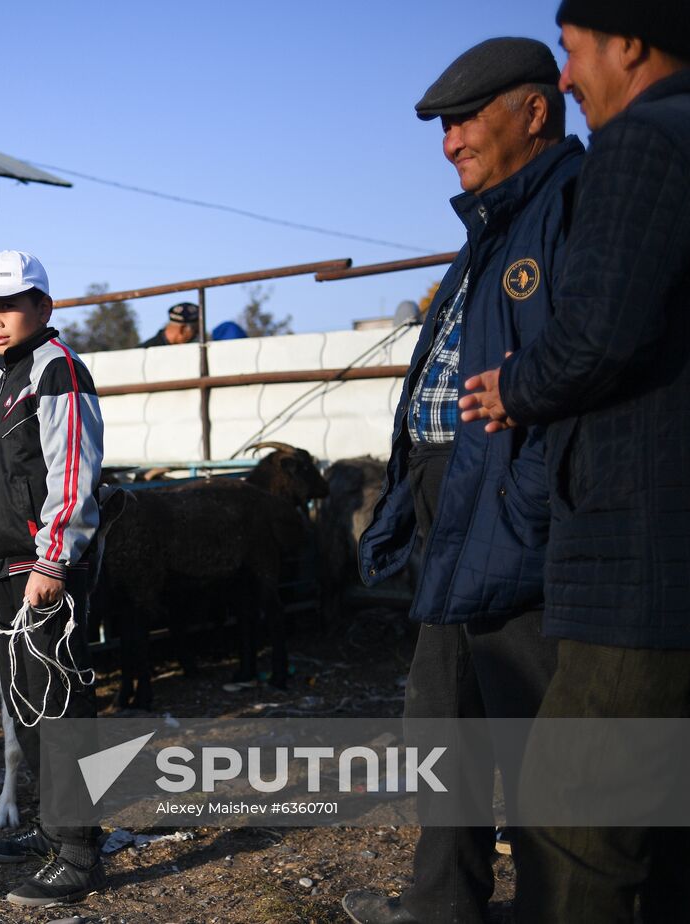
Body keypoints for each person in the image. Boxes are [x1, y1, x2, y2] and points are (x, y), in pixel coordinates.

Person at [458, 5, 690, 921]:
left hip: (643, 547)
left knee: (571, 821)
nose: (567, 76)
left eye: (572, 49)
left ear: (629, 41)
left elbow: (597, 331)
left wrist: (518, 383)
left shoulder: (644, 143)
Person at [345, 37, 585, 924]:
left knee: (525, 719)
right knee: (443, 715)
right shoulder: (491, 227)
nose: (450, 143)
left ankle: (555, 905)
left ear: (534, 112)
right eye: (444, 127)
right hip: (460, 495)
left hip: (516, 501)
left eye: (466, 120)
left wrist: (527, 492)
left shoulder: (569, 208)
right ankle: (442, 901)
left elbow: (583, 363)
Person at [0, 250, 107, 907]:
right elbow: (8, 473)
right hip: (13, 566)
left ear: (45, 307)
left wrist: (54, 559)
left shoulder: (57, 370)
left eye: (7, 306)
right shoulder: (10, 376)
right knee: (27, 702)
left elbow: (72, 471)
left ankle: (79, 851)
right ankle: (55, 829)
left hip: (48, 570)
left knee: (59, 703)